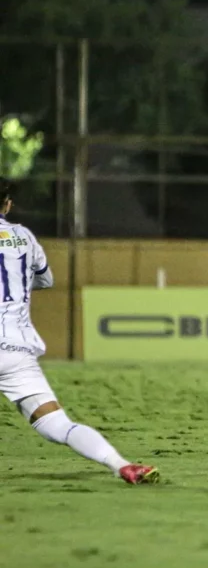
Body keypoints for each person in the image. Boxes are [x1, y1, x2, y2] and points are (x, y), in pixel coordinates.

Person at [0, 179, 158, 484]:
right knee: (57, 424)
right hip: (16, 352)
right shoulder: (24, 237)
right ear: (7, 204)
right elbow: (45, 280)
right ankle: (121, 464)